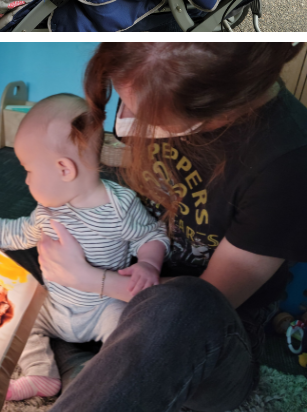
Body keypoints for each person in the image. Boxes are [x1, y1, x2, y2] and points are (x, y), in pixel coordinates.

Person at [28, 42, 307, 412]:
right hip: (124, 279)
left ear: (214, 111)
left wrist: (89, 279)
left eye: (145, 116)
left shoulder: (288, 162)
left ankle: (95, 374)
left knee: (183, 306)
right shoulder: (150, 77)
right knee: (26, 238)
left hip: (204, 330)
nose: (127, 118)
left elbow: (214, 299)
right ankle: (97, 373)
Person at [0, 95, 169, 402]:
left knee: (131, 331)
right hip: (56, 306)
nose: (26, 180)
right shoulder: (48, 210)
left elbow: (151, 235)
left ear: (64, 169)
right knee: (15, 316)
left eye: (29, 170)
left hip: (103, 307)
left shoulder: (120, 206)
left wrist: (148, 264)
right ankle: (41, 373)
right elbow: (23, 231)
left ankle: (103, 380)